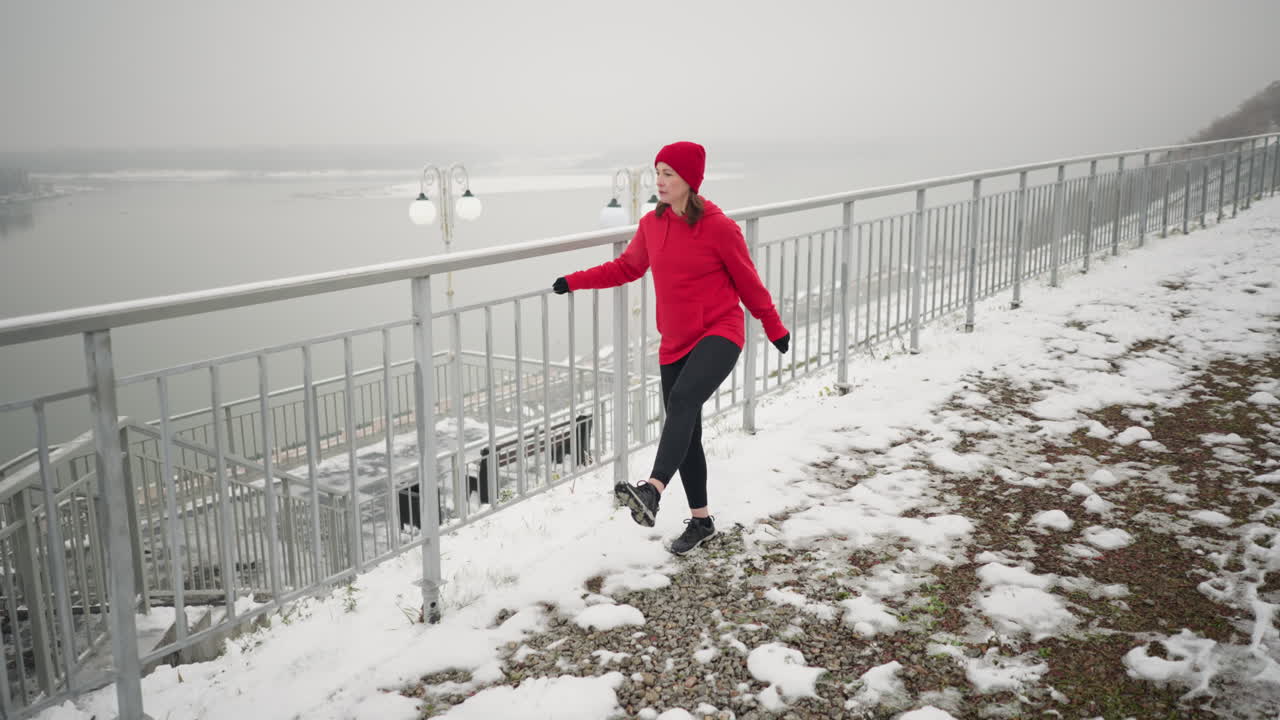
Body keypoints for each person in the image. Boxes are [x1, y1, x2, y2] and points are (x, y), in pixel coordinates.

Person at [552, 141, 789, 554]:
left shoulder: (719, 228)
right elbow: (626, 267)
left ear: (690, 182)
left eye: (669, 175)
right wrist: (574, 280)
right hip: (674, 343)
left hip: (720, 330)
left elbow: (749, 283)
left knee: (682, 401)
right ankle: (701, 521)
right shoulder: (651, 224)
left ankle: (652, 489)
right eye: (657, 172)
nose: (659, 182)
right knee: (688, 432)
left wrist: (773, 327)